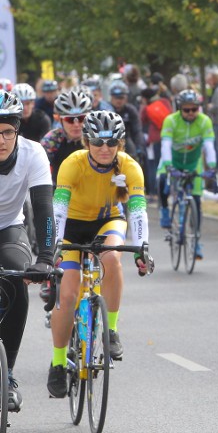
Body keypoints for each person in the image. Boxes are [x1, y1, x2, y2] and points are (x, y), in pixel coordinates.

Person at [47, 111, 152, 398]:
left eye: (111, 142)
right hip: (72, 227)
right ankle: (57, 363)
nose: (105, 148)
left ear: (120, 143)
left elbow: (138, 209)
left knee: (111, 257)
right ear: (86, 141)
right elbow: (58, 209)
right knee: (67, 295)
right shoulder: (72, 164)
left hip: (108, 221)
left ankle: (112, 330)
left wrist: (142, 248)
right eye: (97, 142)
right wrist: (53, 245)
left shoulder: (128, 167)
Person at [0, 92, 56, 411]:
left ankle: (6, 377)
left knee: (17, 280)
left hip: (9, 227)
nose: (2, 139)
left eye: (8, 131)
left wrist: (46, 258)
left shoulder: (33, 153)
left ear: (18, 129)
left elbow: (44, 210)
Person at [156, 90, 216, 260]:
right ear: (179, 109)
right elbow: (166, 145)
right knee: (161, 180)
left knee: (196, 201)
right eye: (186, 110)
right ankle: (165, 212)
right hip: (172, 161)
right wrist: (168, 166)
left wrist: (212, 167)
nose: (191, 113)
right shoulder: (171, 121)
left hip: (192, 162)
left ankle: (196, 241)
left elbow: (209, 146)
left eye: (194, 109)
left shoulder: (205, 122)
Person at [41, 89, 93, 186]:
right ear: (59, 120)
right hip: (60, 192)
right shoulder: (51, 140)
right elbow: (40, 173)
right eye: (70, 119)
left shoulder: (96, 138)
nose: (76, 124)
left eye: (81, 118)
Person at [108, 81, 146, 164]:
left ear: (126, 98)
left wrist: (140, 148)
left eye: (121, 97)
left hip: (126, 138)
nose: (118, 100)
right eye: (116, 97)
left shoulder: (131, 110)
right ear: (111, 97)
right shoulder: (106, 109)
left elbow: (137, 131)